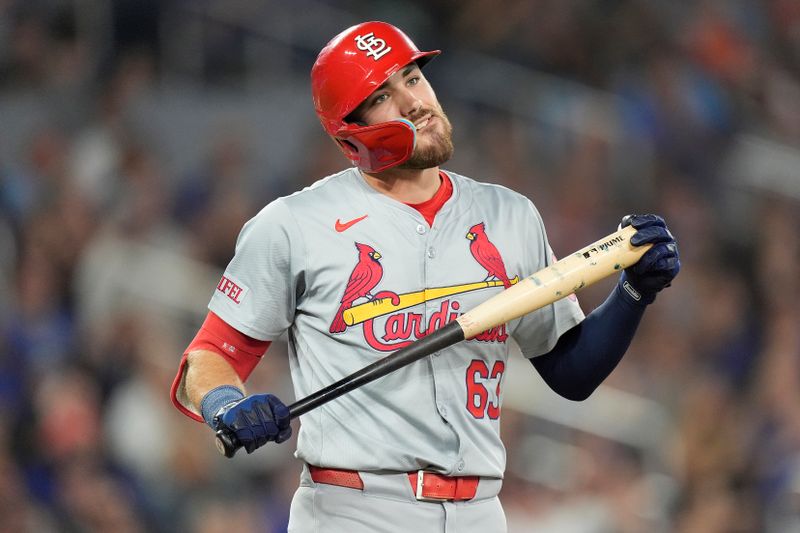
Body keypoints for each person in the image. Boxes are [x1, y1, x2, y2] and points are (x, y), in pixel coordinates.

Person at [170, 21, 680, 532]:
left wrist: (634, 292)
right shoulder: (294, 224)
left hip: (479, 512)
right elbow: (208, 355)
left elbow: (571, 373)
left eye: (413, 78)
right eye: (382, 95)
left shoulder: (509, 215)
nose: (414, 102)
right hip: (355, 509)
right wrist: (226, 405)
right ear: (349, 127)